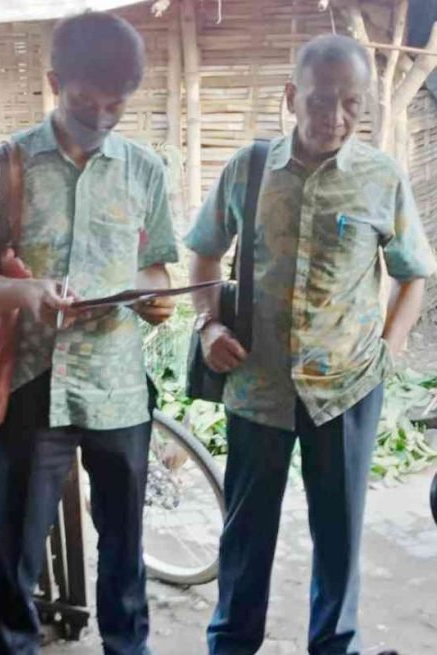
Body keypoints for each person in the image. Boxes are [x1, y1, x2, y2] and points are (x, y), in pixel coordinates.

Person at [187, 34, 437, 655]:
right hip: (258, 387)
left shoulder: (382, 177)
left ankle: (334, 647)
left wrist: (388, 349)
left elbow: (413, 274)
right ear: (293, 97)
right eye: (322, 102)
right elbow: (203, 249)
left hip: (349, 390)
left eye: (352, 104)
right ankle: (231, 645)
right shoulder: (248, 170)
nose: (336, 118)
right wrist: (208, 325)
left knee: (338, 536)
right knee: (246, 535)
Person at [0, 11, 178, 655]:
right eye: (86, 101)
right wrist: (27, 292)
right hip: (32, 385)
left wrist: (153, 299)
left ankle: (126, 648)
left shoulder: (144, 170)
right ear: (55, 82)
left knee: (125, 553)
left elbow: (158, 265)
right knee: (16, 557)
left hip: (120, 389)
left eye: (116, 105)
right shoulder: (4, 165)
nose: (101, 116)